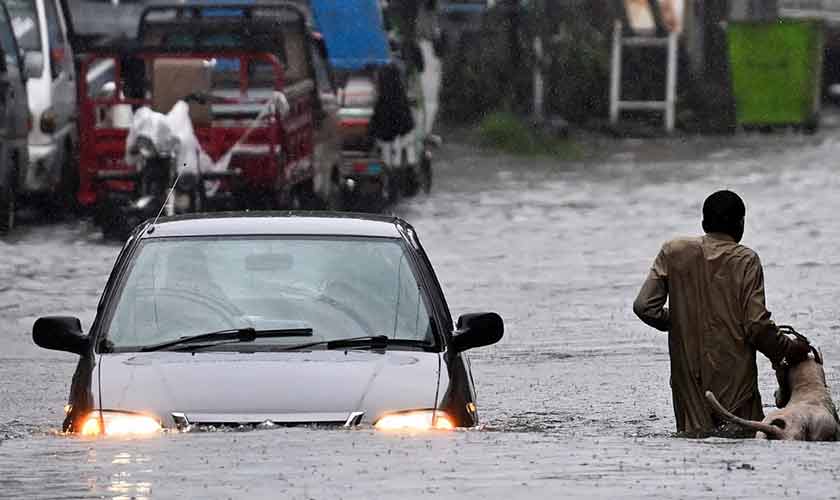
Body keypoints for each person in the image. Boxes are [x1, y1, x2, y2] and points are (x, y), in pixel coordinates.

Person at [633, 190, 811, 435]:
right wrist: (789, 349)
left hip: (689, 387)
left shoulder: (673, 251)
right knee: (743, 440)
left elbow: (644, 306)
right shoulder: (746, 260)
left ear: (704, 223)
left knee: (694, 446)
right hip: (736, 388)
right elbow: (757, 327)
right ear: (741, 224)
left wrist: (679, 321)